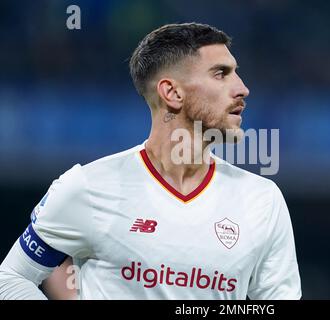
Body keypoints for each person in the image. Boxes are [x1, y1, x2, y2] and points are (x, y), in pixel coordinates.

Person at [0, 22, 301, 299]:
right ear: (172, 93)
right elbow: (11, 278)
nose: (242, 89)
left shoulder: (262, 199)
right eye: (221, 73)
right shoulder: (88, 187)